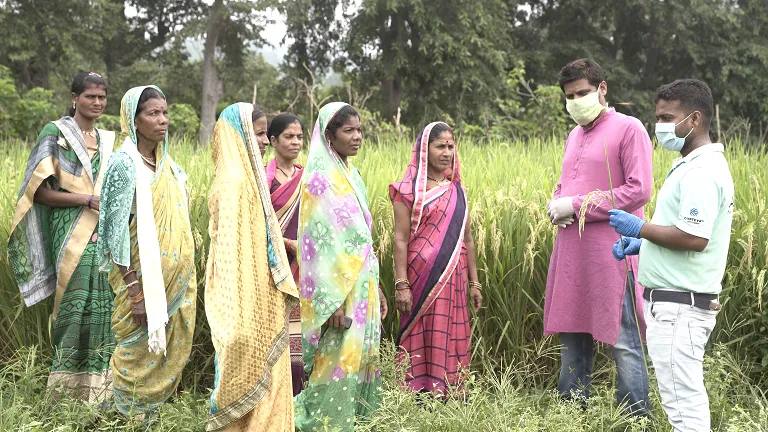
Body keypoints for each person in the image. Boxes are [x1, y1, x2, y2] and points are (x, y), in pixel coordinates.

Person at [609, 79, 733, 432]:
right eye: (657, 117)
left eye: (667, 117)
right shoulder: (691, 166)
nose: (659, 126)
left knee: (682, 404)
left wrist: (640, 228)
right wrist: (645, 244)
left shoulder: (700, 172)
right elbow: (686, 232)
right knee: (682, 398)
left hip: (680, 308)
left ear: (694, 120)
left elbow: (694, 237)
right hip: (677, 303)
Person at [544, 59, 653, 416]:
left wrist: (575, 205)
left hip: (612, 253)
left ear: (602, 88)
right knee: (572, 334)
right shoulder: (574, 134)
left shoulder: (629, 128)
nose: (576, 101)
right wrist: (557, 202)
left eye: (583, 93)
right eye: (570, 96)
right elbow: (569, 184)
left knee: (623, 340)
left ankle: (636, 418)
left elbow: (639, 190)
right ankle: (571, 416)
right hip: (571, 253)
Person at [7, 72, 116, 403]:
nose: (96, 103)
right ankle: (64, 396)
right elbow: (38, 194)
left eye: (102, 97)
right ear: (75, 98)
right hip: (69, 229)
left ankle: (100, 395)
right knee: (74, 303)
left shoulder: (110, 140)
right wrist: (86, 199)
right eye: (90, 97)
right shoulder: (55, 134)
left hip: (104, 232)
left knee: (105, 308)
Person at [97, 85, 197, 416]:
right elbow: (113, 232)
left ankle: (150, 417)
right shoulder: (124, 164)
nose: (163, 120)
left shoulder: (169, 165)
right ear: (133, 119)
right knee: (135, 350)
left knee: (169, 351)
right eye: (153, 113)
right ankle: (126, 416)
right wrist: (136, 293)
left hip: (176, 282)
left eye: (165, 112)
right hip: (139, 283)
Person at [204, 103, 299, 431]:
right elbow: (233, 249)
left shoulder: (247, 176)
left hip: (259, 288)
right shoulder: (235, 180)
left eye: (262, 134)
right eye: (258, 133)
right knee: (247, 357)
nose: (262, 141)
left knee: (265, 366)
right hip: (244, 293)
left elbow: (259, 236)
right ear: (237, 134)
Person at [294, 102, 388, 431]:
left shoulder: (353, 175)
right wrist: (331, 302)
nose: (357, 136)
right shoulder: (319, 181)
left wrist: (375, 285)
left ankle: (355, 421)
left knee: (360, 356)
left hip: (362, 284)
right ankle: (320, 423)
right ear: (329, 136)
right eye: (348, 130)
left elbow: (360, 238)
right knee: (335, 359)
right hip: (337, 292)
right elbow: (318, 249)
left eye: (360, 130)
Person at [389, 122, 482, 393]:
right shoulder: (407, 191)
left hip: (453, 276)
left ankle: (450, 389)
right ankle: (416, 391)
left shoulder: (457, 191)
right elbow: (400, 239)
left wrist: (474, 283)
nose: (447, 152)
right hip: (419, 277)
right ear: (423, 150)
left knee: (450, 331)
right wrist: (401, 284)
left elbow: (468, 240)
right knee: (421, 331)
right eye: (440, 146)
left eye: (451, 146)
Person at [264, 113, 306, 395]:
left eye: (299, 137)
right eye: (289, 137)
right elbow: (259, 224)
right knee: (274, 336)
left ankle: (299, 400)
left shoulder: (307, 177)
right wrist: (288, 245)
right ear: (273, 140)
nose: (295, 142)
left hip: (305, 268)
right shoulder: (264, 179)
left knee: (301, 342)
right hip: (274, 266)